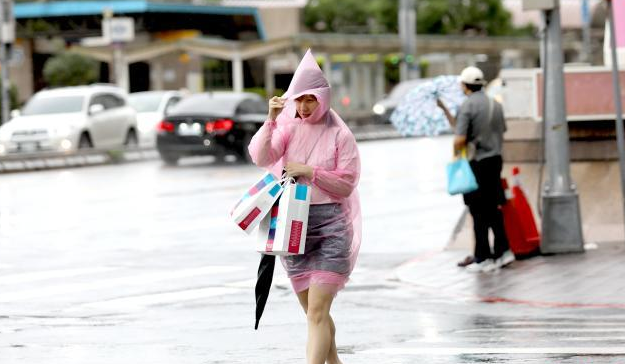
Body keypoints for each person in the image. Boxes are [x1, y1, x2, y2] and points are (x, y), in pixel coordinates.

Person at [248, 49, 361, 364]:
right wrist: (270, 120)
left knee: (317, 311)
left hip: (332, 228)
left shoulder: (341, 135)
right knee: (314, 314)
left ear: (323, 98)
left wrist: (310, 172)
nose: (303, 105)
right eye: (298, 99)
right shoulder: (286, 128)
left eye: (310, 99)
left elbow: (347, 184)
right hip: (292, 227)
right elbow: (261, 157)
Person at [437, 66, 515, 273]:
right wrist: (445, 110)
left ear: (464, 85)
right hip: (495, 161)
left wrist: (456, 151)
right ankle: (503, 251)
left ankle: (483, 257)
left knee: (478, 211)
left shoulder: (467, 106)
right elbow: (500, 130)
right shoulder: (494, 104)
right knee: (494, 208)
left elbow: (460, 138)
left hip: (477, 164)